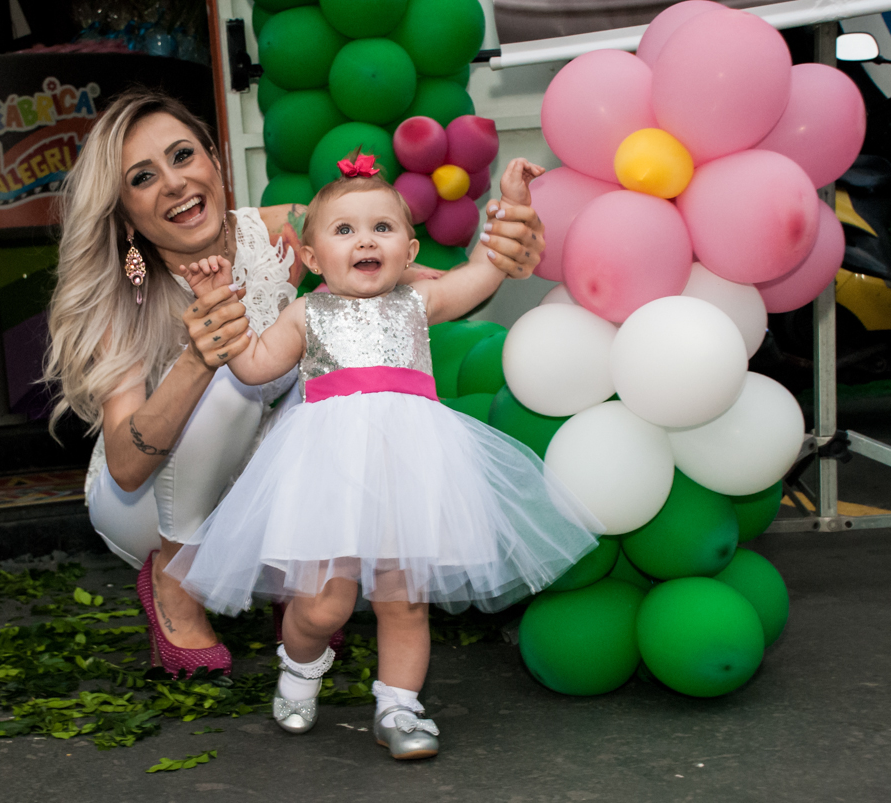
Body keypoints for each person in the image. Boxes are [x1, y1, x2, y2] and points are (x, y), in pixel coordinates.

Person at [43, 88, 546, 678]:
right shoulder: (121, 295)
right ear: (125, 213)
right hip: (147, 503)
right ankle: (174, 577)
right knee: (235, 380)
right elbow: (127, 467)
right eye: (143, 178)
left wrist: (504, 250)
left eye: (183, 156)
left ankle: (296, 580)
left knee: (332, 373)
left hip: (261, 482)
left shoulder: (286, 232)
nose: (175, 184)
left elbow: (402, 277)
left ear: (213, 156)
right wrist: (199, 357)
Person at [165, 155, 601, 760]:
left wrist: (511, 200)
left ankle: (399, 706)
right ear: (313, 259)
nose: (365, 239)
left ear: (408, 247)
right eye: (344, 230)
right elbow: (254, 366)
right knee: (324, 604)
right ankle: (300, 660)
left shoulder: (420, 301)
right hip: (327, 470)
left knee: (404, 598)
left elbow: (486, 268)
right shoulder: (307, 312)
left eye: (382, 228)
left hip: (411, 466)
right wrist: (219, 298)